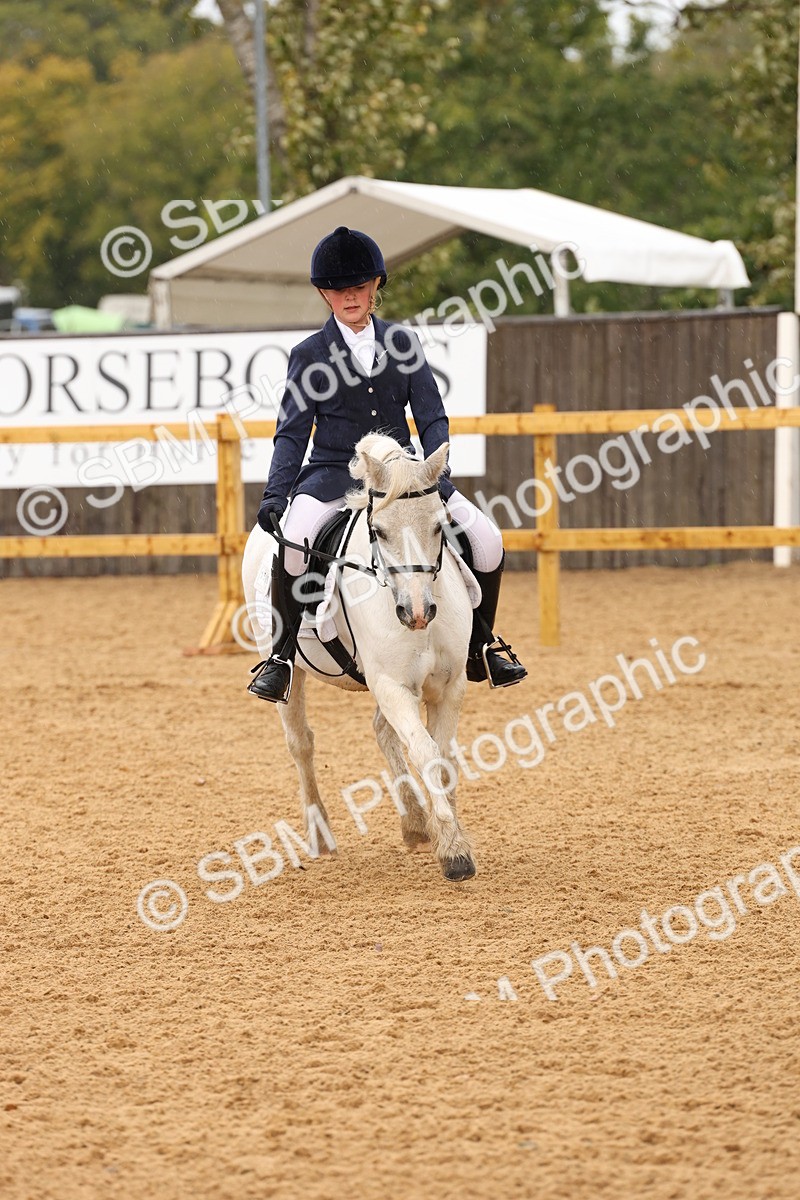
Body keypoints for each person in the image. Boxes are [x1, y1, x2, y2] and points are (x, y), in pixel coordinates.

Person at [248, 225, 527, 703]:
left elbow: (432, 416)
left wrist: (433, 475)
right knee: (294, 544)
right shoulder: (308, 355)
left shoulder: (403, 343)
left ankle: (483, 645)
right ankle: (281, 655)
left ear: (375, 285)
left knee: (487, 538)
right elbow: (292, 432)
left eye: (358, 287)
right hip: (334, 472)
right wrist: (277, 493)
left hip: (404, 476)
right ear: (324, 293)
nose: (349, 297)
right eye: (338, 290)